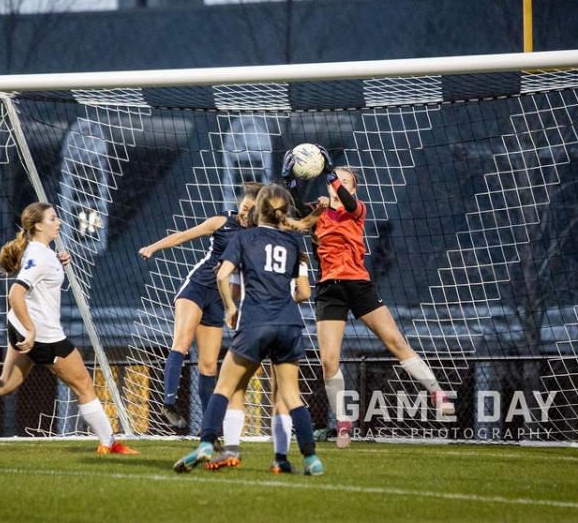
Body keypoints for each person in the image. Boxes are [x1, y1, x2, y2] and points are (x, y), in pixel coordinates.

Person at [0, 202, 137, 455]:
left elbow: (38, 279)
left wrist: (58, 262)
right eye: (53, 218)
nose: (59, 222)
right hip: (42, 334)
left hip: (18, 326)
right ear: (39, 225)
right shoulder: (40, 256)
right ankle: (109, 444)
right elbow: (16, 292)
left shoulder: (40, 252)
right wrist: (31, 332)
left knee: (5, 384)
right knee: (84, 385)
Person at [283, 149, 455, 449]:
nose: (338, 185)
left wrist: (330, 172)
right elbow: (297, 211)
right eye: (336, 181)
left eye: (345, 181)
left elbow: (347, 201)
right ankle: (344, 420)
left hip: (359, 285)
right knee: (328, 360)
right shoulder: (318, 211)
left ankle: (437, 392)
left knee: (395, 342)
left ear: (352, 187)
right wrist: (290, 181)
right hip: (329, 289)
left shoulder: (356, 208)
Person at [174, 184, 324, 476]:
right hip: (289, 324)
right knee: (292, 395)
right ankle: (310, 459)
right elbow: (303, 289)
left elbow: (222, 274)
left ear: (257, 210)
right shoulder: (295, 243)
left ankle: (207, 444)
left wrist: (230, 307)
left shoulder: (244, 238)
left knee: (225, 387)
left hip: (256, 321)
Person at [138, 183, 261, 429]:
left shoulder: (258, 236)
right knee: (182, 343)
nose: (245, 213)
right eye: (244, 207)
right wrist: (153, 247)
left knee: (208, 365)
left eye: (252, 210)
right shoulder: (221, 221)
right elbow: (183, 235)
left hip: (218, 299)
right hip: (196, 288)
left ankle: (209, 429)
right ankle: (169, 402)